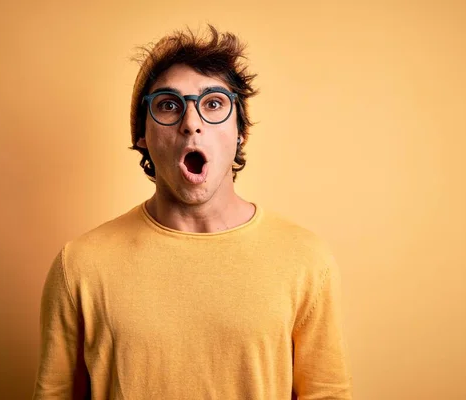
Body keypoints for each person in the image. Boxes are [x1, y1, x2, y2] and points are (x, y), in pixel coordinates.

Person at [33, 25, 352, 399]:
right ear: (142, 135)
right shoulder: (80, 266)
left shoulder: (306, 259)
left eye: (213, 103)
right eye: (168, 105)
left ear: (240, 132)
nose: (191, 123)